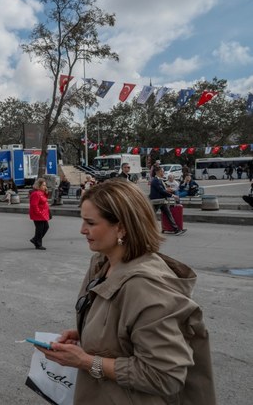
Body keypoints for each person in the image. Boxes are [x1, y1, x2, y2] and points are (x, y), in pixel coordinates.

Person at [36, 178, 216, 404]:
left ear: (121, 227)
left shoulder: (146, 287)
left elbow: (165, 375)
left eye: (90, 223)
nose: (82, 230)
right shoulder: (103, 264)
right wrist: (86, 333)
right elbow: (125, 329)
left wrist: (86, 361)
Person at [149, 167, 185, 235]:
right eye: (162, 171)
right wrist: (172, 195)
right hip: (157, 200)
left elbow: (164, 189)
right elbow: (161, 191)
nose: (163, 173)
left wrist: (169, 190)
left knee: (168, 213)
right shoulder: (156, 180)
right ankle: (146, 229)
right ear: (158, 172)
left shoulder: (160, 180)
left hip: (162, 200)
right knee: (151, 215)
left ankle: (176, 229)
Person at [29, 178, 50, 250]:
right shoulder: (36, 194)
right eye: (43, 185)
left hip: (43, 214)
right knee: (40, 229)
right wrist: (39, 213)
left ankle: (35, 239)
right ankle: (38, 244)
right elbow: (34, 205)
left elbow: (44, 201)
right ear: (39, 186)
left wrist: (46, 193)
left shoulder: (41, 193)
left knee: (45, 227)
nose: (45, 187)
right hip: (38, 215)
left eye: (45, 185)